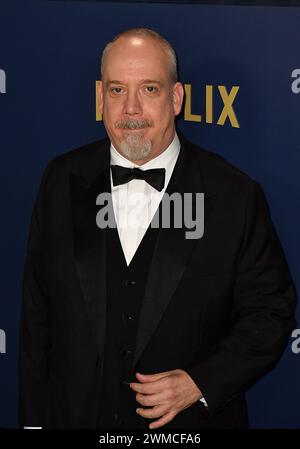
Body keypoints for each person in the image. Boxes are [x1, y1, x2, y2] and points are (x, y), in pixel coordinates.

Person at [19, 28, 296, 430]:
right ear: (100, 98)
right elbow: (36, 314)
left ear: (176, 97)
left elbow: (270, 312)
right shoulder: (60, 179)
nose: (130, 108)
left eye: (148, 88)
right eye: (116, 90)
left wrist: (201, 382)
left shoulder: (234, 195)